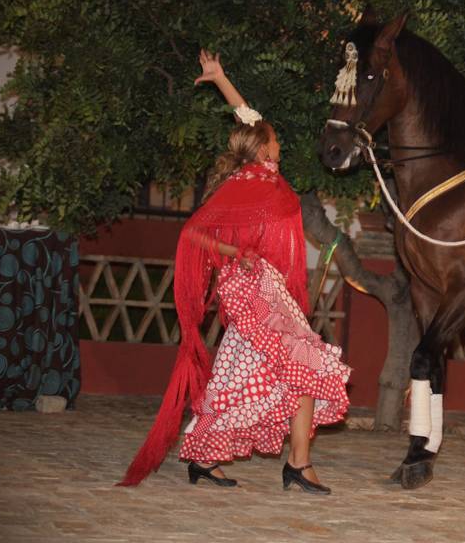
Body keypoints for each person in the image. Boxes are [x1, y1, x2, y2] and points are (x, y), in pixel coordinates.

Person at [119, 50, 350, 494]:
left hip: (265, 288)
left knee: (238, 373)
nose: (280, 145)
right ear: (264, 149)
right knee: (306, 362)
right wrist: (235, 251)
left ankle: (208, 457)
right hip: (250, 289)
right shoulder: (245, 184)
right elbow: (195, 234)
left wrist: (221, 78)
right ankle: (298, 464)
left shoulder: (264, 176)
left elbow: (248, 116)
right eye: (275, 142)